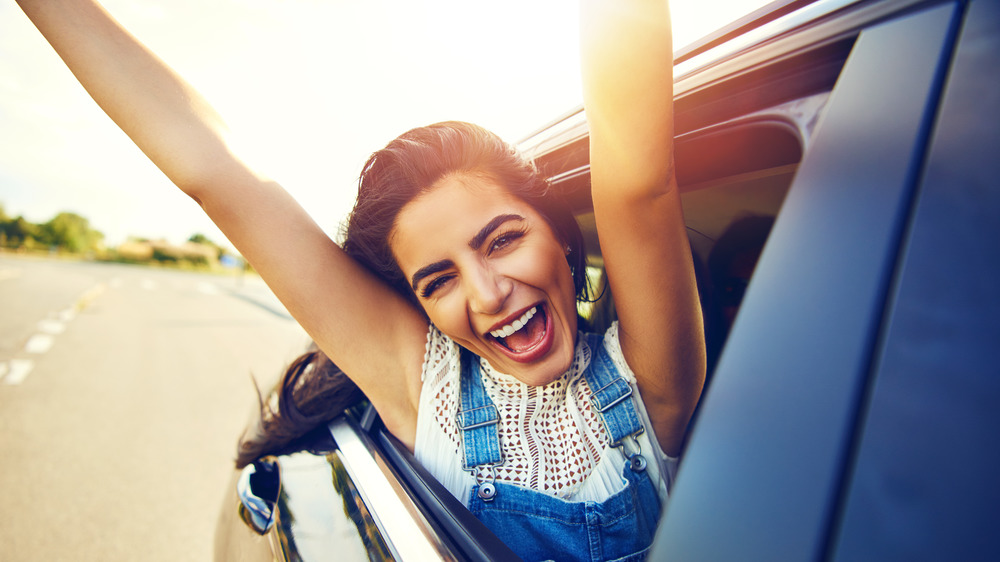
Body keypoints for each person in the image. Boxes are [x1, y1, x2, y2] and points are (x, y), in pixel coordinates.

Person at [16, 0, 705, 559]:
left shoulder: (650, 382)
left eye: (502, 240)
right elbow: (216, 172)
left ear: (557, 233)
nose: (488, 294)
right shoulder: (422, 386)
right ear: (419, 306)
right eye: (438, 282)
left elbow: (639, 180)